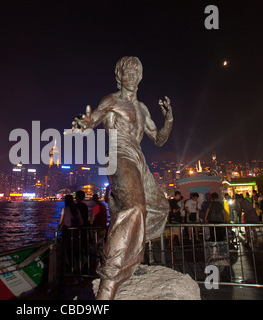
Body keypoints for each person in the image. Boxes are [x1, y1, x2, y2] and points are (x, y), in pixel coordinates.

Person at [67, 56, 173, 300]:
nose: (132, 78)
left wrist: (169, 119)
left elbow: (158, 139)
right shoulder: (112, 100)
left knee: (157, 207)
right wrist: (83, 123)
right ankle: (109, 283)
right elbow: (93, 119)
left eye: (136, 74)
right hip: (118, 153)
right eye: (128, 73)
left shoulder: (143, 108)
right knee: (135, 208)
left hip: (138, 158)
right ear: (119, 77)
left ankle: (132, 262)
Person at [58, 194, 84, 274]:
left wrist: (59, 227)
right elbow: (81, 222)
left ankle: (71, 273)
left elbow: (61, 223)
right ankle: (79, 272)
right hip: (76, 234)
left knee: (68, 254)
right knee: (76, 253)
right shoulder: (76, 210)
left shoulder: (65, 210)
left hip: (67, 235)